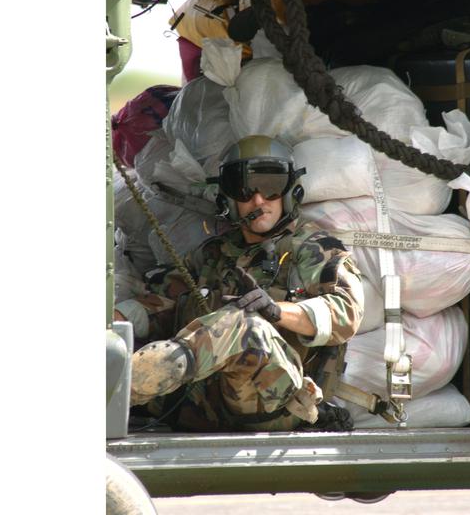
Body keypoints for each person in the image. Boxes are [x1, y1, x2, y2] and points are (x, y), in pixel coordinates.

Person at [115, 135, 364, 431]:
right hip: (200, 406)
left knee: (246, 327)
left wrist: (277, 311)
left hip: (273, 400)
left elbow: (346, 312)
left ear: (290, 191)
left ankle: (114, 392)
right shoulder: (213, 255)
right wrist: (111, 321)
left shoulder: (313, 248)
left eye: (270, 187)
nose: (258, 199)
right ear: (227, 199)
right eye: (244, 189)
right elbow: (161, 305)